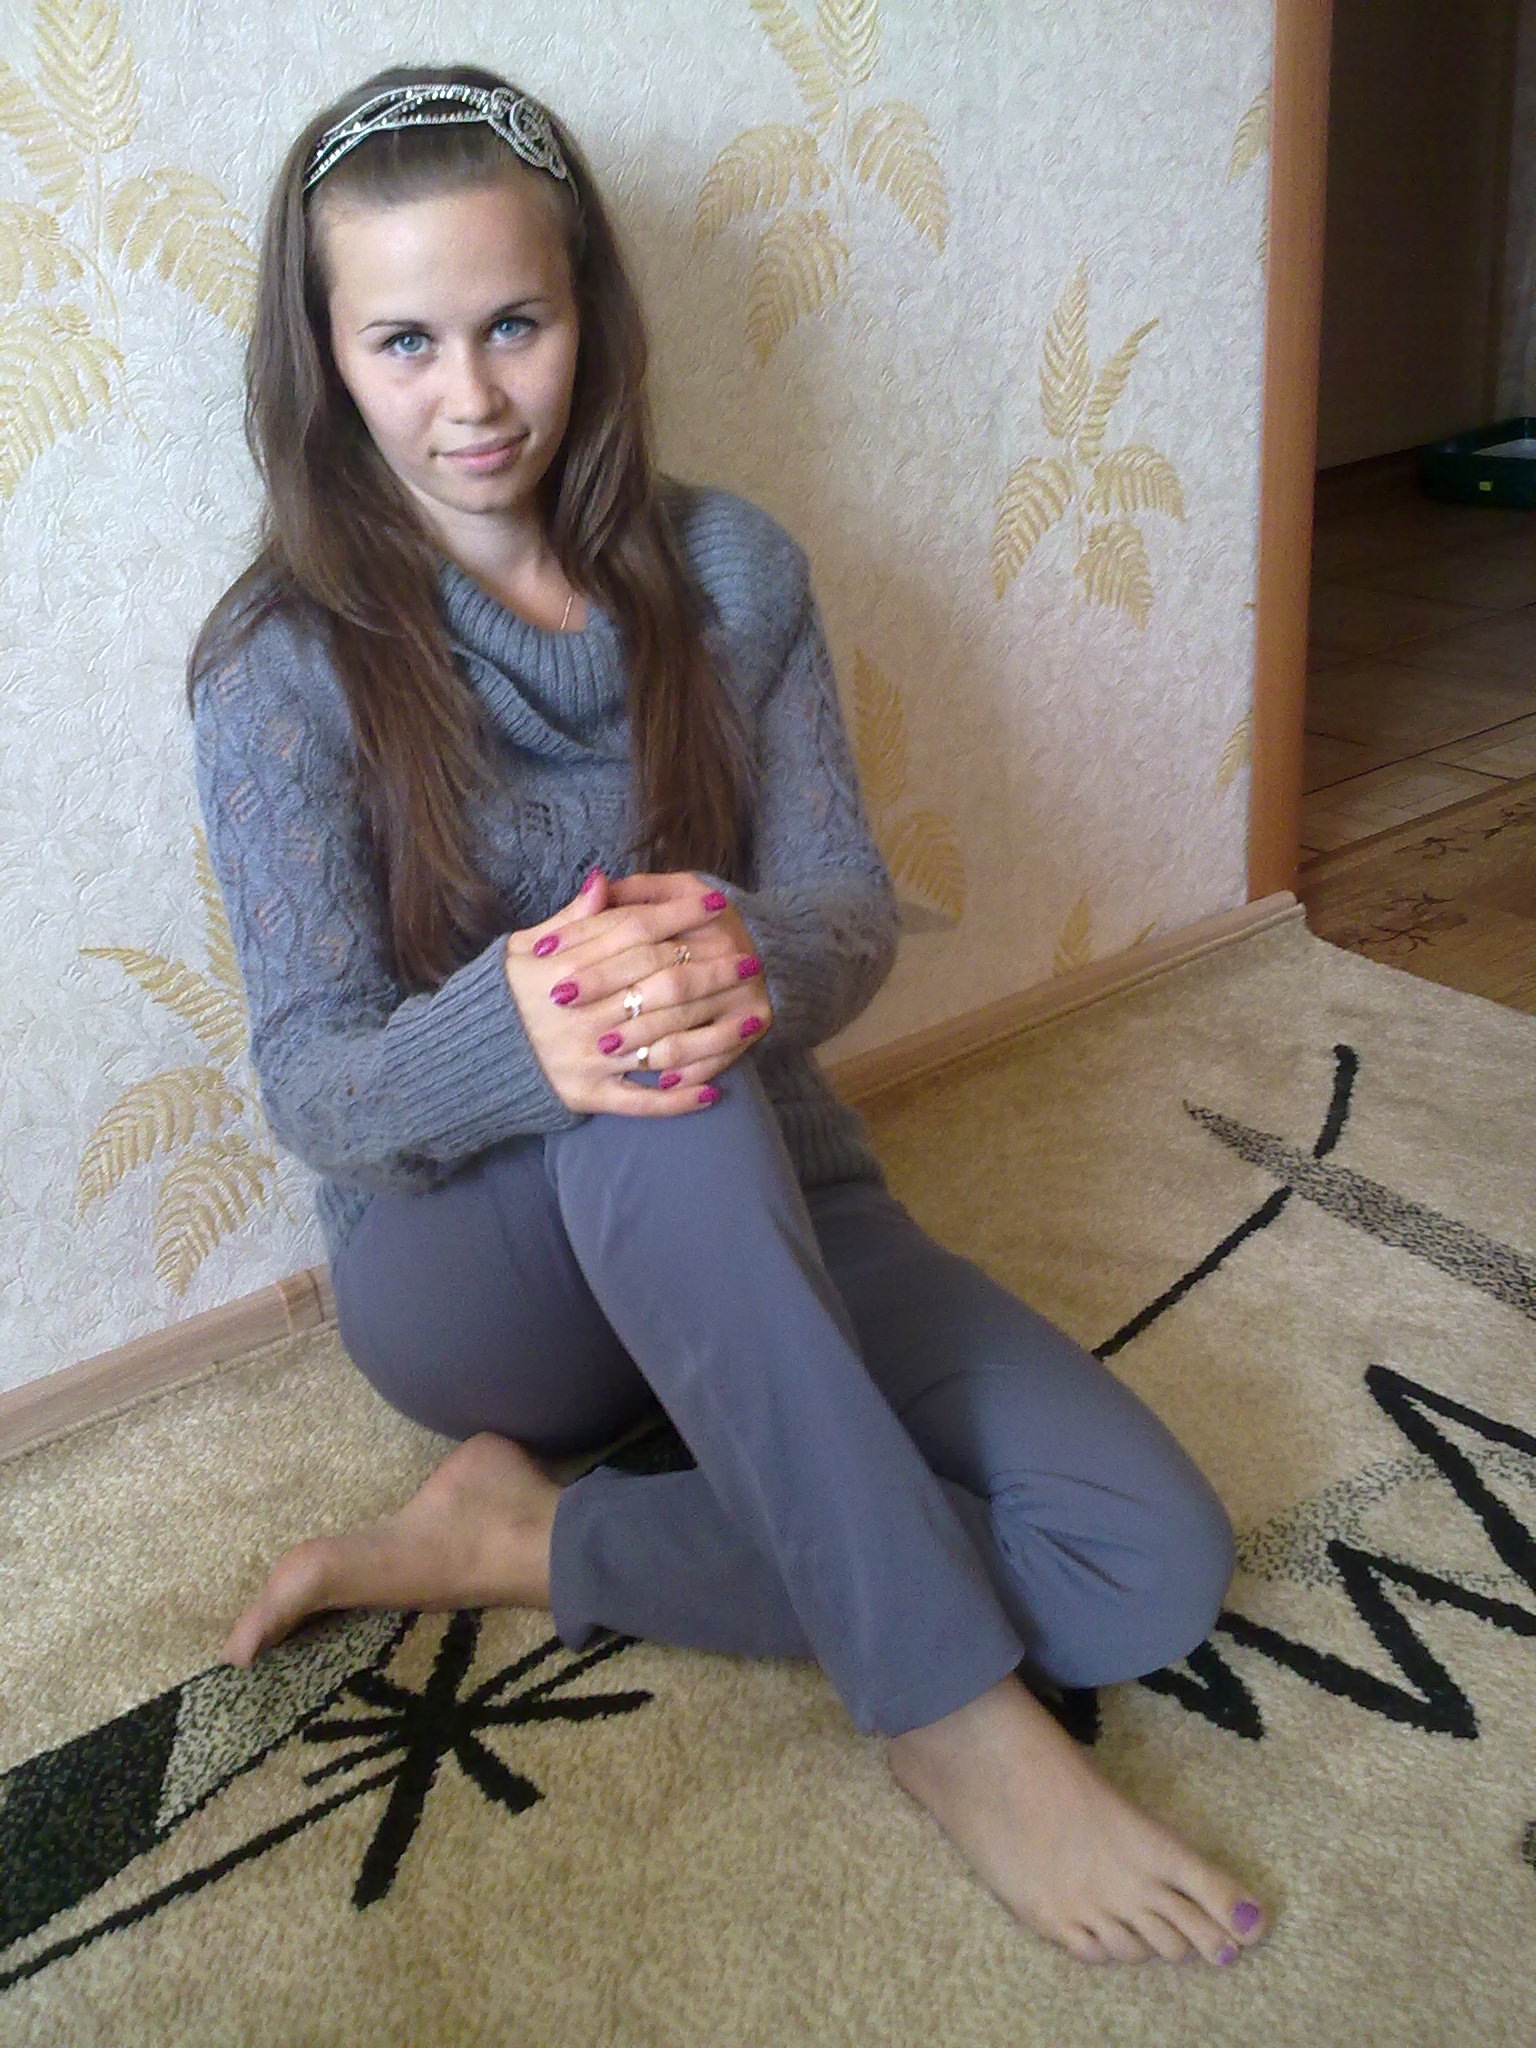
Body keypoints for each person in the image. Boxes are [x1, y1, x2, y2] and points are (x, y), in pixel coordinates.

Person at [187, 62, 1270, 1972]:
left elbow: (847, 917)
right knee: (634, 1041)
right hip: (476, 1274)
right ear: (327, 359)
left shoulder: (738, 569)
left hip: (776, 1196)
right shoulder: (279, 664)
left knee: (1145, 1562)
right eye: (405, 341)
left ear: (588, 311)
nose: (471, 396)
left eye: (515, 323)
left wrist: (743, 959)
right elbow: (318, 1087)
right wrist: (530, 1026)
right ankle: (952, 1723)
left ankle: (527, 1544)